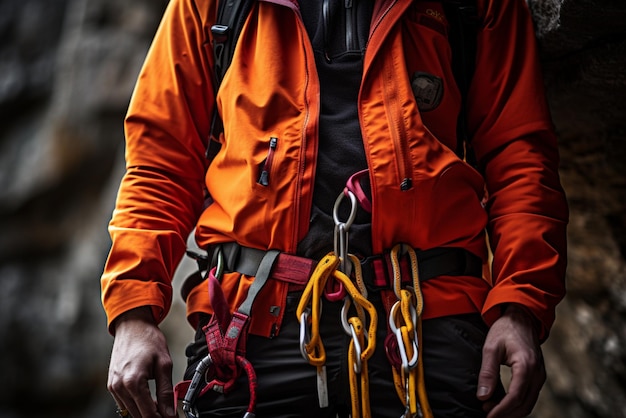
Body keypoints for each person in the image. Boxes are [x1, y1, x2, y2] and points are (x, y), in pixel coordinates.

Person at [101, 0, 568, 417]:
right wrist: (133, 313)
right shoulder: (210, 5)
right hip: (253, 325)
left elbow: (519, 156)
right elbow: (159, 163)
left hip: (426, 323)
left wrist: (519, 306)